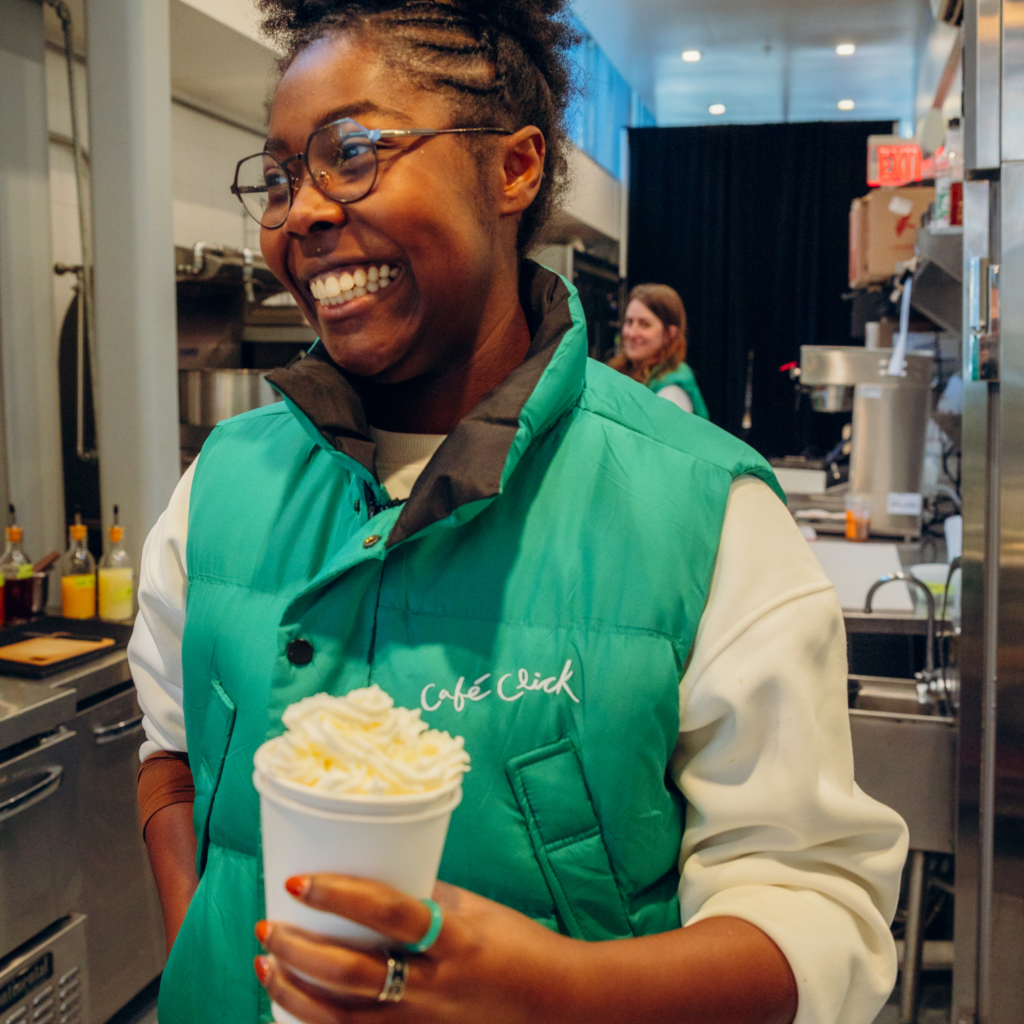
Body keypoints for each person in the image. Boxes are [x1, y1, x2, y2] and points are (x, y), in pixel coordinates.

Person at [130, 2, 907, 1023]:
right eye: (279, 178)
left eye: (352, 153)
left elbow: (817, 906)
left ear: (514, 169)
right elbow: (170, 756)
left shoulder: (704, 511)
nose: (302, 212)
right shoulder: (219, 485)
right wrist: (203, 950)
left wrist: (559, 991)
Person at [610, 283, 710, 418]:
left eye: (644, 324)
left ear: (669, 334)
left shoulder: (672, 392)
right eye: (629, 322)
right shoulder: (618, 371)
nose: (632, 333)